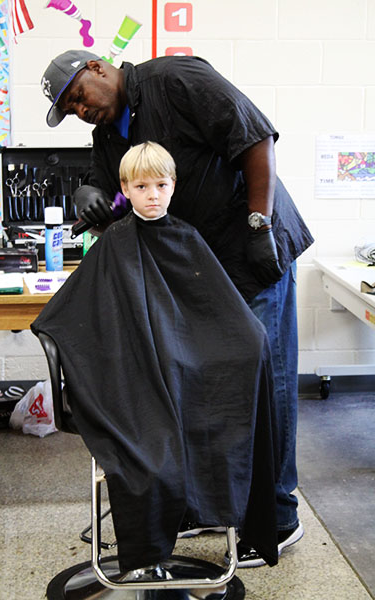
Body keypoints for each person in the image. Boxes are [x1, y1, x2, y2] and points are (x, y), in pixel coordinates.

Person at [40, 50, 314, 567]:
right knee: (197, 383)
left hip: (254, 249)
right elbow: (117, 204)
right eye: (68, 108)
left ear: (98, 68)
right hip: (200, 270)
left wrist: (259, 224)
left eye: (78, 94)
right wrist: (90, 193)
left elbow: (255, 138)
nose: (80, 108)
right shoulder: (108, 134)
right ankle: (206, 503)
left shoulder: (175, 79)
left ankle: (278, 517)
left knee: (263, 375)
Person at [31, 141, 280, 572]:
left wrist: (249, 341)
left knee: (242, 376)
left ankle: (217, 521)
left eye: (160, 185)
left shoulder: (187, 239)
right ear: (125, 188)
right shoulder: (114, 245)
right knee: (149, 455)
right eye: (141, 186)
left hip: (189, 371)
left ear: (173, 185)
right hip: (133, 376)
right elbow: (69, 317)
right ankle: (148, 554)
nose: (152, 195)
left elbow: (219, 314)